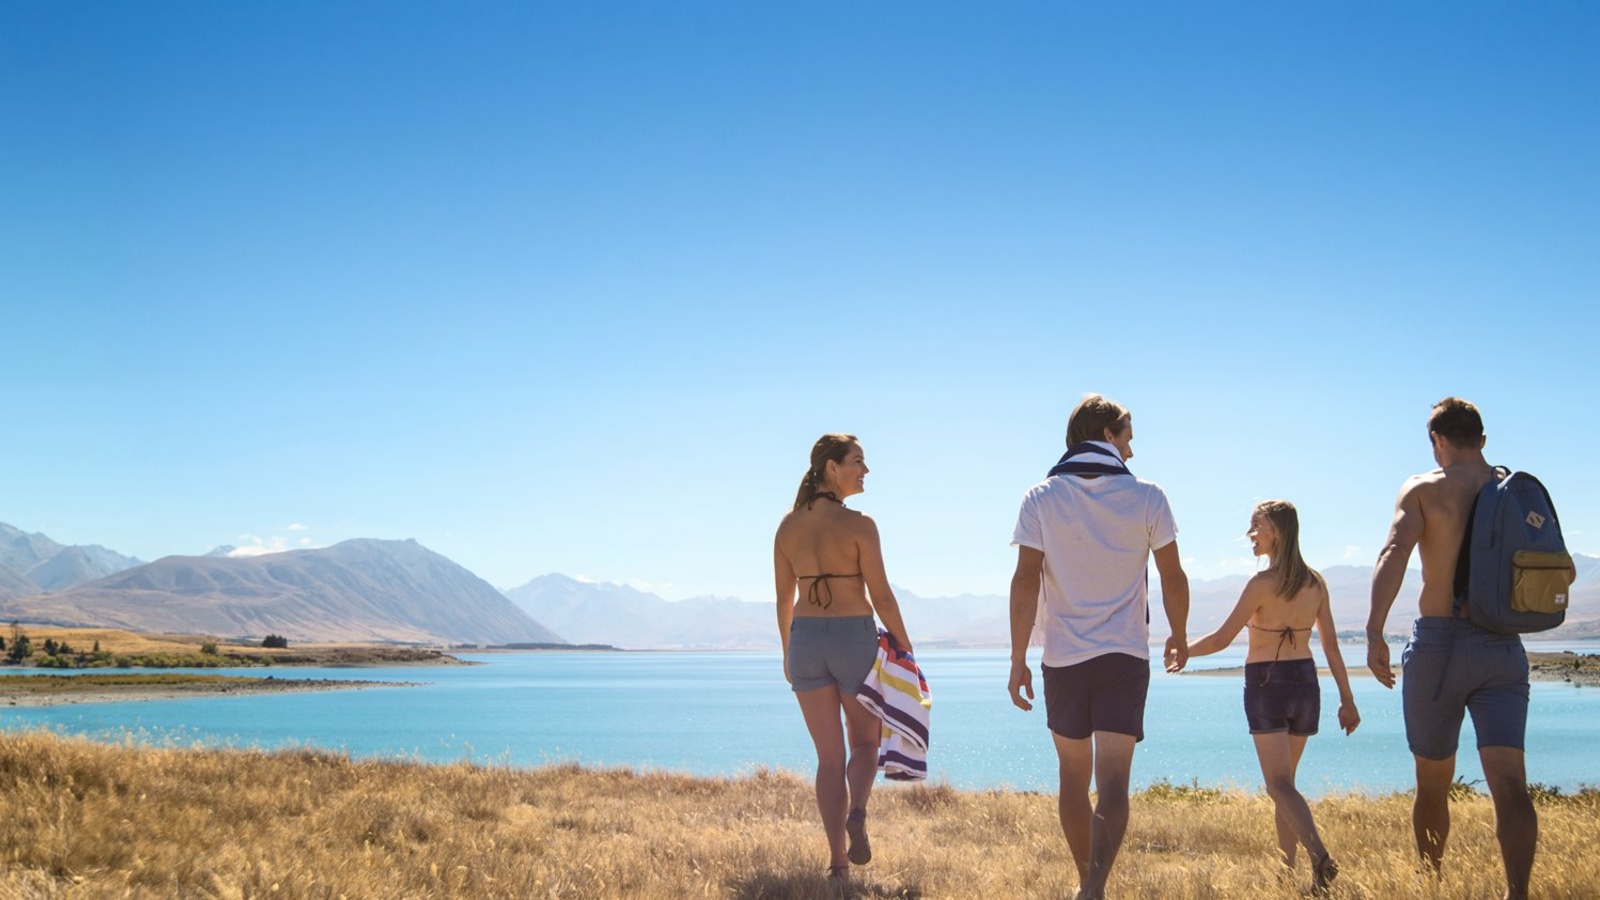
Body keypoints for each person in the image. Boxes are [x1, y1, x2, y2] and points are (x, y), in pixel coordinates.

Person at [1007, 394, 1190, 900]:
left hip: (1063, 658)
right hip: (1125, 657)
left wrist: (1018, 657)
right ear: (1108, 435)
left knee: (1072, 780)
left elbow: (1025, 582)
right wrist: (1179, 631)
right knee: (1113, 785)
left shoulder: (1040, 497)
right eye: (1127, 438)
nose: (1131, 451)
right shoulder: (1149, 496)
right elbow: (1173, 575)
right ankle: (1094, 886)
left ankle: (1089, 885)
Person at [1366, 397, 1537, 900]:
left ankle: (1432, 885)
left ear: (1437, 440)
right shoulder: (1513, 491)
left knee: (1433, 782)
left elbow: (1394, 552)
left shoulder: (1423, 489)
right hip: (1503, 647)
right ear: (1482, 439)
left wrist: (1375, 631)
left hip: (1440, 647)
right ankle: (1518, 894)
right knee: (1510, 782)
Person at [1187, 500, 1359, 894]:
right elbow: (1331, 646)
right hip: (1305, 684)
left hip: (1267, 685)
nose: (1251, 534)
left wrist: (1182, 651)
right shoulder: (1316, 583)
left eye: (1256, 526)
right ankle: (1287, 876)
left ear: (1276, 532)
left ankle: (1320, 858)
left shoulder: (1261, 584)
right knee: (1287, 785)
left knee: (1278, 785)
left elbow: (1221, 638)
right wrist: (1347, 700)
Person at [774, 433, 914, 882]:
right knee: (866, 744)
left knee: (828, 760)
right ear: (831, 468)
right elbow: (884, 596)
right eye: (858, 461)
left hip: (805, 641)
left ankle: (837, 864)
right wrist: (905, 646)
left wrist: (786, 652)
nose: (865, 470)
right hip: (854, 637)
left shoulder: (787, 527)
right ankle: (857, 810)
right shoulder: (861, 525)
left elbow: (782, 600)